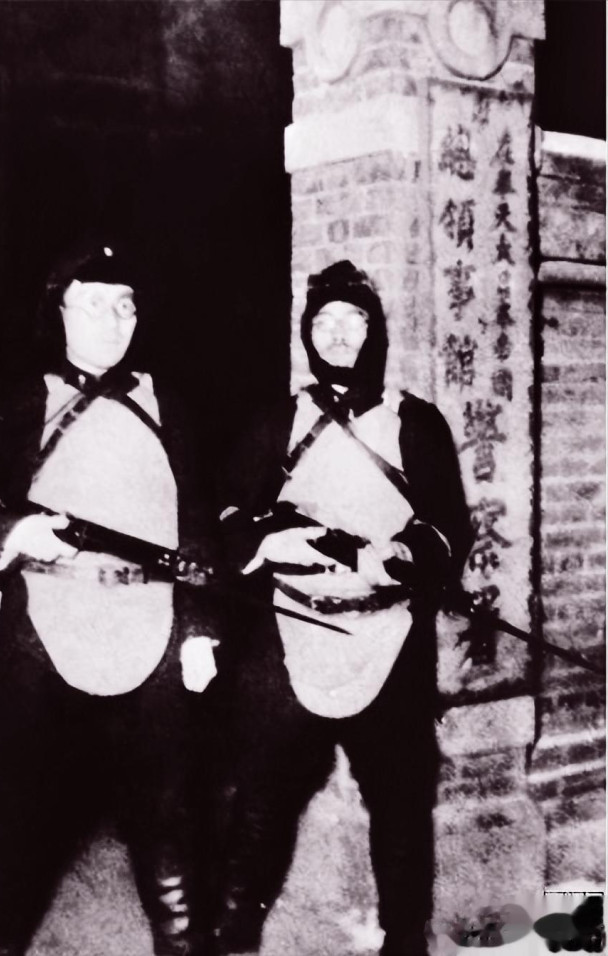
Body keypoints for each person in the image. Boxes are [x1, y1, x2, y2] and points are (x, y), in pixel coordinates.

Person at [0, 243, 221, 956]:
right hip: (44, 626)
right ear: (61, 313)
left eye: (124, 306)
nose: (111, 320)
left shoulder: (168, 405)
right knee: (18, 808)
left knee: (168, 811)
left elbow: (197, 521)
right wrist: (10, 530)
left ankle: (182, 946)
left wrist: (199, 627)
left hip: (152, 624)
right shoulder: (26, 400)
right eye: (93, 304)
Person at [213, 260, 473, 956]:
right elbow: (230, 514)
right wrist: (269, 541)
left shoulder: (414, 421)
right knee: (261, 793)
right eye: (322, 322)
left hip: (388, 633)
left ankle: (404, 936)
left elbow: (449, 523)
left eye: (351, 321)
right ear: (307, 334)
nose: (335, 335)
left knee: (400, 801)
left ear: (373, 332)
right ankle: (234, 930)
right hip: (292, 627)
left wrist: (403, 552)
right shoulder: (277, 420)